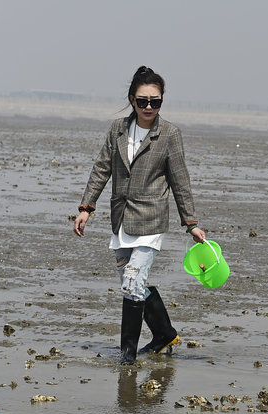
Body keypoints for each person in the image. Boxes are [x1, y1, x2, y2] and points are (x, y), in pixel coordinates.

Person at [73, 66, 206, 365]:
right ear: (132, 99)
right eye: (143, 101)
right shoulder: (118, 129)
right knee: (132, 282)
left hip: (151, 220)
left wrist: (191, 224)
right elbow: (101, 169)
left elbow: (180, 180)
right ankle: (164, 334)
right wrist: (85, 208)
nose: (149, 107)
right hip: (121, 218)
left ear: (161, 101)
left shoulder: (170, 134)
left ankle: (127, 357)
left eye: (155, 102)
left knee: (132, 282)